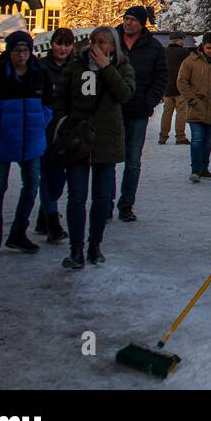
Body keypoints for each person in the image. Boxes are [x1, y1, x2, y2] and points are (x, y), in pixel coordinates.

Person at [58, 26, 136, 268]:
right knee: (77, 197)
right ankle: (76, 250)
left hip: (106, 139)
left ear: (113, 46)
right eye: (94, 41)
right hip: (78, 139)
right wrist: (64, 125)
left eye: (103, 42)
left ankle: (95, 245)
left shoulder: (122, 66)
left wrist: (106, 68)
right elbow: (61, 97)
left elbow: (124, 93)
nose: (97, 46)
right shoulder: (77, 65)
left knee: (102, 199)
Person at [0, 31, 52, 257]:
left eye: (25, 51)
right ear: (9, 51)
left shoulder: (39, 74)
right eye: (17, 51)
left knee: (32, 186)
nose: (21, 55)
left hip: (32, 139)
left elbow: (49, 104)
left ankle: (18, 233)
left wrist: (41, 121)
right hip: (3, 139)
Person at [115, 5, 166, 221]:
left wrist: (149, 102)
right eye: (126, 18)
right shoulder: (112, 41)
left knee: (133, 161)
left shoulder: (153, 47)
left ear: (142, 23)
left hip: (138, 110)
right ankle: (104, 202)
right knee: (106, 160)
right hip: (112, 111)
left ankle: (126, 204)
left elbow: (161, 77)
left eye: (133, 20)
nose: (128, 23)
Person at [34, 27, 75, 243]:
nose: (63, 48)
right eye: (59, 43)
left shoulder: (77, 68)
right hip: (44, 129)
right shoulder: (40, 67)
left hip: (66, 131)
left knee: (58, 179)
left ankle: (44, 215)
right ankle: (52, 221)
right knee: (48, 177)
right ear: (52, 44)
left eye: (67, 44)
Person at [179, 32, 211, 183]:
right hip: (196, 106)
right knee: (197, 139)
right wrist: (191, 99)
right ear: (202, 46)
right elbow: (182, 82)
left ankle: (204, 168)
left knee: (208, 140)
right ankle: (196, 169)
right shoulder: (191, 61)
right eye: (208, 47)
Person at [158, 33, 190, 145]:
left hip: (166, 88)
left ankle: (163, 136)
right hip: (180, 88)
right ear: (178, 40)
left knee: (166, 112)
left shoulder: (163, 52)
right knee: (181, 112)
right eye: (182, 39)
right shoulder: (184, 53)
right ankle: (180, 136)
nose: (183, 42)